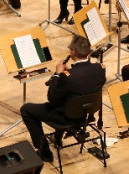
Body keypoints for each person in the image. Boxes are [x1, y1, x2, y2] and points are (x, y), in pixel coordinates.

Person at [19, 35, 106, 163]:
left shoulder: (67, 76)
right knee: (68, 99)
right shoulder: (100, 69)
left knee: (26, 110)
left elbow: (52, 99)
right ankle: (58, 137)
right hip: (87, 113)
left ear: (73, 52)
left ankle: (45, 153)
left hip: (67, 116)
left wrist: (57, 74)